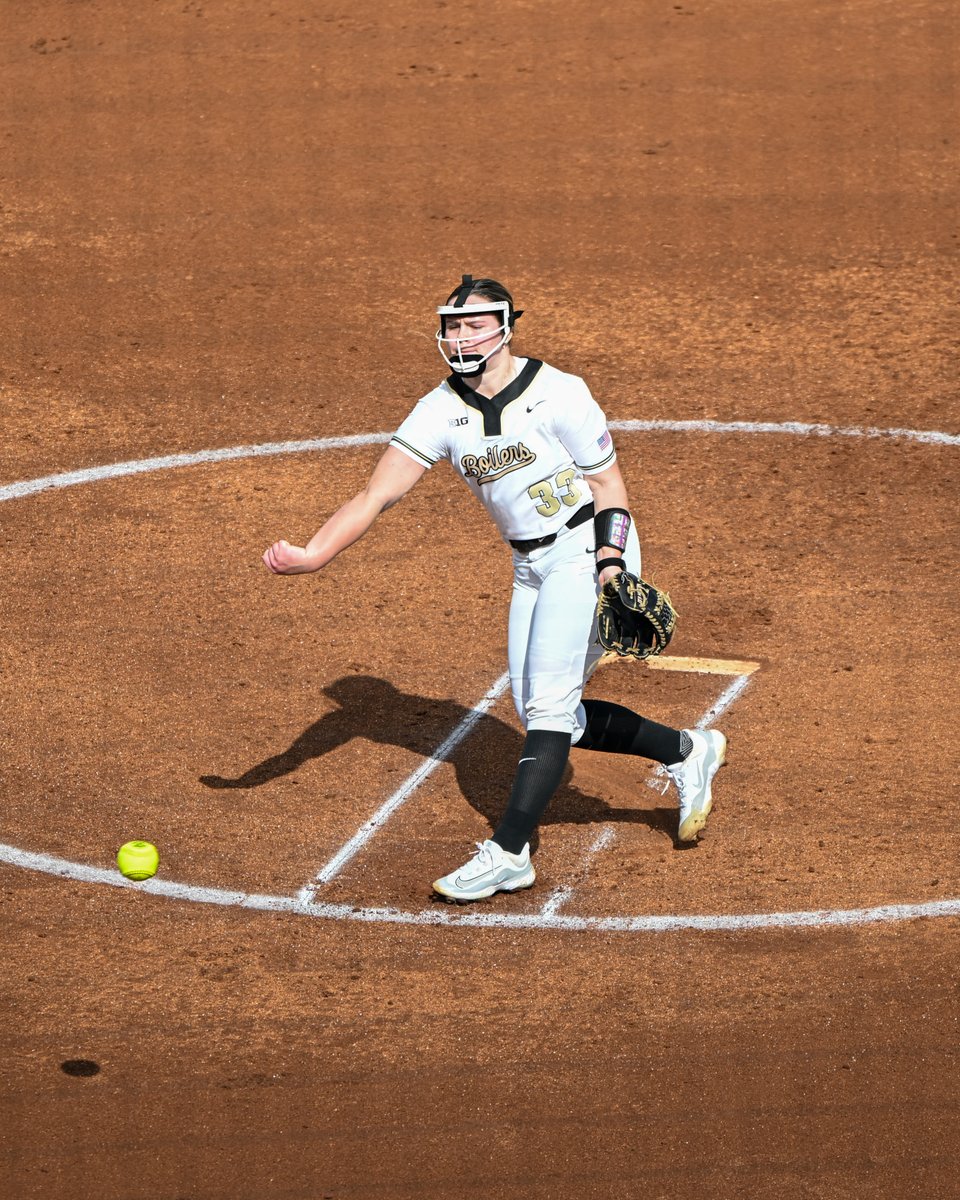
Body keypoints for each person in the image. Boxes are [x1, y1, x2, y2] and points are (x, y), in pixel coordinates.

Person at [263, 274, 727, 903]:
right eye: (452, 326)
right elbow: (376, 494)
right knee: (547, 713)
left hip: (587, 549)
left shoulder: (559, 392)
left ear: (506, 328)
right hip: (529, 565)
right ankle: (687, 749)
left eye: (475, 324)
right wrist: (314, 554)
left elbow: (609, 488)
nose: (461, 337)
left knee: (550, 710)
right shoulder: (440, 409)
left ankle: (509, 852)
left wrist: (612, 567)